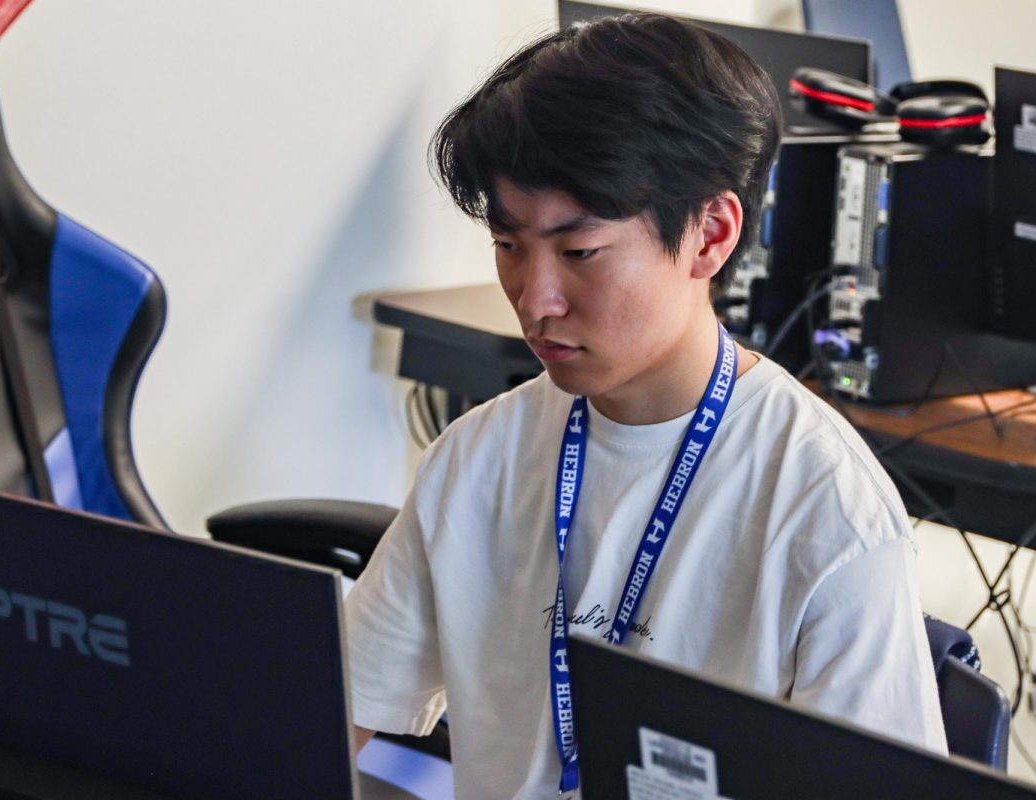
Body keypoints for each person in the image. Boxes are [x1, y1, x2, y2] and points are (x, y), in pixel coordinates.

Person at [345, 12, 946, 799]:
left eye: (579, 251)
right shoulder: (480, 455)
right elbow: (328, 718)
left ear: (711, 234)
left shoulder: (825, 510)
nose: (536, 298)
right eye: (508, 245)